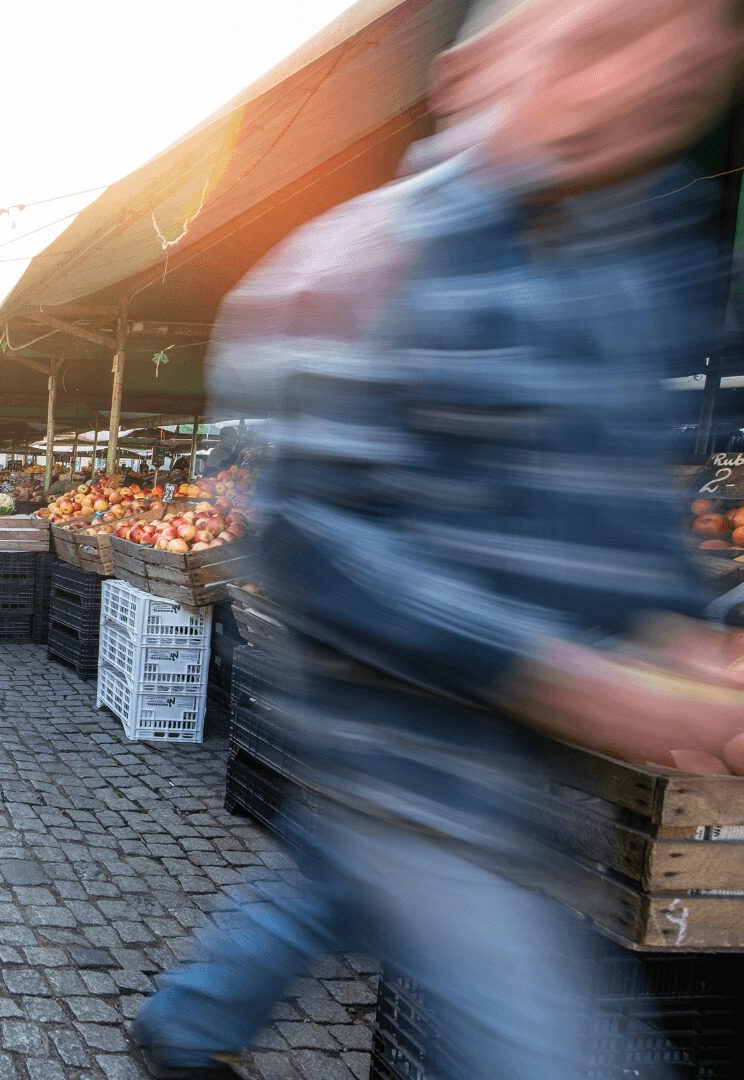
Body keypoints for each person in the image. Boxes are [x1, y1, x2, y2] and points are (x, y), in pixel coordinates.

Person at [129, 2, 744, 1077]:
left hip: (515, 754)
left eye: (688, 52)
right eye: (603, 43)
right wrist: (565, 676)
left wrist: (689, 631)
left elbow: (624, 502)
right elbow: (311, 543)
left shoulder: (634, 276)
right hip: (401, 741)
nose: (647, 77)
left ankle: (183, 1029)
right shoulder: (365, 265)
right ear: (474, 72)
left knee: (327, 869)